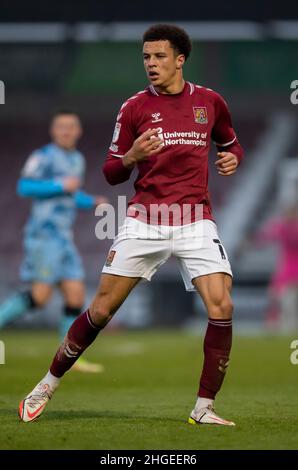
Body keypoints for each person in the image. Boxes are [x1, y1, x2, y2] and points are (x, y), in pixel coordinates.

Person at [19, 24, 244, 425]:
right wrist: (131, 155)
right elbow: (110, 173)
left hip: (195, 219)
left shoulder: (210, 102)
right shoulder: (134, 108)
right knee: (102, 311)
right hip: (145, 220)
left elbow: (228, 142)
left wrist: (232, 158)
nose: (151, 64)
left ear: (180, 60)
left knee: (222, 304)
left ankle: (203, 408)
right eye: (146, 57)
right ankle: (47, 383)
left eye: (159, 56)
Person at [0, 110, 107, 373]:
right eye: (61, 126)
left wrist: (90, 201)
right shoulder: (43, 156)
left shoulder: (77, 160)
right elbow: (24, 186)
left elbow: (71, 195)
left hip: (64, 238)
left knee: (75, 294)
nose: (66, 131)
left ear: (78, 130)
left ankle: (69, 356)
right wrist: (59, 185)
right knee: (40, 297)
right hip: (44, 236)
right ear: (53, 131)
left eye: (71, 126)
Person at [256, 203, 298, 333]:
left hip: (290, 271)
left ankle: (281, 326)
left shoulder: (284, 227)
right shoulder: (283, 227)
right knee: (278, 300)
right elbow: (264, 238)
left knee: (286, 303)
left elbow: (265, 238)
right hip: (286, 270)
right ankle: (275, 325)